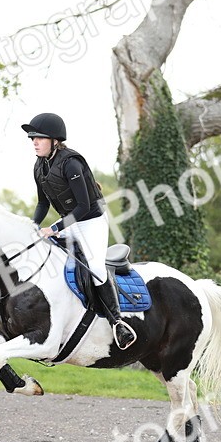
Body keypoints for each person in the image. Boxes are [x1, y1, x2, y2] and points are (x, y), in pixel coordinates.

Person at [22, 112, 137, 350]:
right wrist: (32, 227)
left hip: (91, 222)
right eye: (32, 137)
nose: (34, 141)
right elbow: (43, 204)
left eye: (39, 137)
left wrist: (53, 228)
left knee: (94, 268)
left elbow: (84, 207)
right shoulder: (39, 166)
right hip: (70, 223)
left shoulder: (71, 162)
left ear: (55, 140)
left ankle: (118, 323)